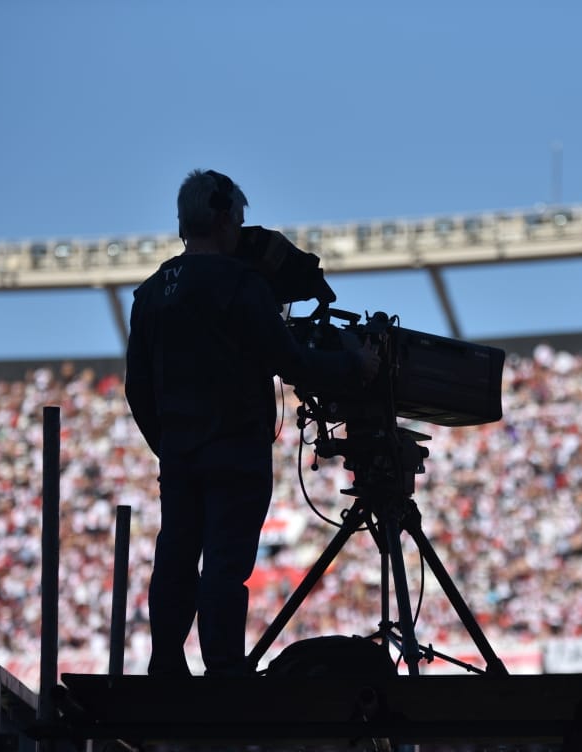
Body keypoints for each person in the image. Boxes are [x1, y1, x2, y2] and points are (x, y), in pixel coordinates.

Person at [125, 168, 379, 677]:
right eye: (238, 220)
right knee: (224, 562)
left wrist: (170, 445)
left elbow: (137, 389)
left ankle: (166, 665)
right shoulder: (242, 284)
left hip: (179, 454)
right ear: (222, 219)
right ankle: (222, 669)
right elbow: (293, 362)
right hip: (236, 450)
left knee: (176, 555)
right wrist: (357, 365)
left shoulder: (150, 294)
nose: (242, 231)